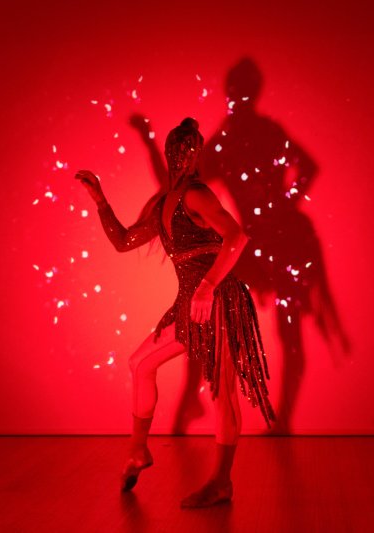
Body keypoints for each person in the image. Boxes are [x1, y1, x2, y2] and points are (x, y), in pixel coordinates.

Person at [75, 117, 275, 509]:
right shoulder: (165, 202)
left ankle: (221, 481)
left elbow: (237, 236)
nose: (179, 155)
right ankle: (138, 451)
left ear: (195, 154)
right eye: (174, 148)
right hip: (188, 304)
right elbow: (123, 240)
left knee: (223, 393)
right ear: (169, 153)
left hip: (217, 300)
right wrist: (100, 201)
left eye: (187, 148)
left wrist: (208, 286)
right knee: (140, 363)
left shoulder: (197, 195)